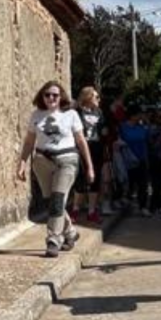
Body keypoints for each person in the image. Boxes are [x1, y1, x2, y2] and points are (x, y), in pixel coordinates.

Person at [15, 82, 95, 257]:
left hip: (67, 160)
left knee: (58, 199)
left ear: (61, 98)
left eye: (55, 95)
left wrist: (89, 167)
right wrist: (21, 163)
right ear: (42, 97)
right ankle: (71, 232)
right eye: (47, 95)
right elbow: (29, 142)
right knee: (51, 201)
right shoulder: (36, 115)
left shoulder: (71, 114)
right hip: (42, 161)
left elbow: (81, 141)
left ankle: (53, 239)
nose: (51, 98)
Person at [71, 86, 107, 224]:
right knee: (80, 178)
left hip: (96, 147)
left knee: (95, 179)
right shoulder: (77, 112)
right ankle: (75, 209)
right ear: (88, 97)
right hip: (81, 148)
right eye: (96, 97)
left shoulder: (99, 112)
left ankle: (92, 211)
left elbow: (104, 127)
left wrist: (104, 131)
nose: (99, 99)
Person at [117, 106, 151, 215]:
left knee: (143, 185)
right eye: (139, 114)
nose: (141, 116)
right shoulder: (122, 127)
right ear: (132, 116)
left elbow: (148, 140)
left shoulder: (142, 127)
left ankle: (143, 207)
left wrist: (147, 123)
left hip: (141, 159)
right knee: (128, 184)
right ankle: (126, 204)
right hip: (128, 160)